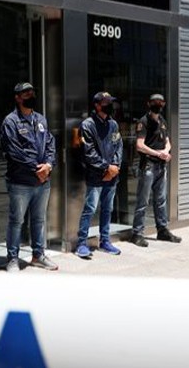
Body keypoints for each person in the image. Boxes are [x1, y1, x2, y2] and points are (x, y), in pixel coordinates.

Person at [0, 82, 58, 272]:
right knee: (17, 221)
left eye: (32, 92)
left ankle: (38, 255)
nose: (31, 96)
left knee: (39, 220)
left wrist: (48, 165)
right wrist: (38, 169)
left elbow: (50, 143)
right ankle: (13, 259)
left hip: (43, 181)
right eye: (26, 94)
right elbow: (14, 152)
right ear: (17, 97)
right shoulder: (11, 121)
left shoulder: (40, 119)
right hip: (21, 182)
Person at [129, 94, 182, 247]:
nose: (158, 105)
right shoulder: (143, 122)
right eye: (155, 102)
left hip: (160, 166)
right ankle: (137, 233)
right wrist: (159, 153)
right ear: (149, 103)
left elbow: (168, 142)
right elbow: (139, 145)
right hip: (148, 166)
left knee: (161, 200)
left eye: (161, 102)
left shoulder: (162, 121)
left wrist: (166, 151)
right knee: (143, 200)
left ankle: (162, 230)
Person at [75, 92, 123, 258]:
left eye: (111, 102)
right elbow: (89, 153)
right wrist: (106, 168)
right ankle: (81, 243)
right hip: (96, 175)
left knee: (107, 209)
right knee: (90, 209)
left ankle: (105, 241)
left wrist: (115, 167)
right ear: (97, 105)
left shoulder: (113, 124)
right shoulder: (87, 125)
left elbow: (118, 146)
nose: (110, 105)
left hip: (112, 176)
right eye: (106, 102)